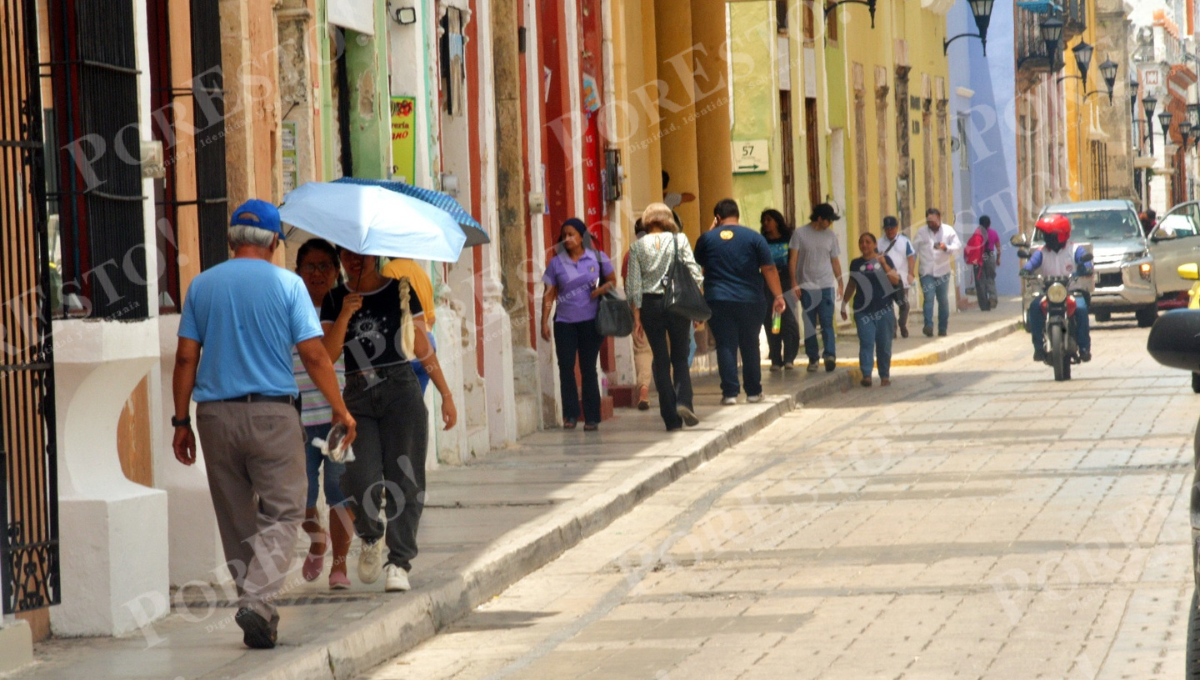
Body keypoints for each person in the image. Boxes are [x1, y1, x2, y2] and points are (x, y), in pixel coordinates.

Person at [172, 200, 356, 649]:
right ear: (275, 242)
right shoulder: (289, 286)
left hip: (214, 417)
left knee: (236, 516)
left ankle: (258, 609)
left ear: (232, 240)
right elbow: (314, 355)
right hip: (273, 414)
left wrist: (180, 421)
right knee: (285, 510)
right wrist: (340, 409)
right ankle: (257, 602)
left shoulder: (201, 285)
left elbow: (185, 357)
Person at [321, 248, 458, 594]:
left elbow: (422, 345)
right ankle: (370, 535)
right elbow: (327, 355)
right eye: (347, 256)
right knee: (358, 476)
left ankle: (399, 561)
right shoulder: (335, 298)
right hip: (357, 395)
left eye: (362, 256)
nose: (354, 261)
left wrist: (446, 393)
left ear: (376, 257)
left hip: (400, 389)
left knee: (406, 478)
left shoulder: (400, 290)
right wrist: (344, 315)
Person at [292, 239, 353, 590]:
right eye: (310, 267)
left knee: (337, 488)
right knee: (301, 493)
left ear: (336, 271)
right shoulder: (288, 308)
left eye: (325, 267)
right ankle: (317, 539)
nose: (317, 273)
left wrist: (343, 409)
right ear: (298, 272)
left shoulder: (344, 308)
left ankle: (339, 566)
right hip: (297, 418)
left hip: (336, 417)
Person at [694, 199, 787, 405]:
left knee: (725, 344)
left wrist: (711, 231)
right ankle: (753, 391)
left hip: (717, 299)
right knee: (750, 343)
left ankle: (730, 393)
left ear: (717, 218)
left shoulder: (706, 239)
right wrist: (778, 296)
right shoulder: (754, 237)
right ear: (737, 215)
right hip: (751, 299)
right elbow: (769, 269)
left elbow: (696, 267)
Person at [626, 202, 704, 431]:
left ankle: (670, 417)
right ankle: (684, 402)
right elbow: (695, 272)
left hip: (650, 305)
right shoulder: (680, 241)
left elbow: (633, 285)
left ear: (647, 221)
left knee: (660, 358)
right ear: (668, 219)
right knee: (680, 357)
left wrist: (637, 316)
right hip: (677, 303)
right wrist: (697, 305)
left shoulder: (637, 247)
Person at [541, 218, 618, 430]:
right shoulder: (556, 263)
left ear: (581, 236)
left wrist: (602, 290)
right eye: (564, 235)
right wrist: (544, 322)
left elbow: (612, 280)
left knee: (588, 368)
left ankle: (592, 417)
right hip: (564, 323)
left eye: (571, 234)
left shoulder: (597, 258)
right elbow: (548, 294)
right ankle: (571, 415)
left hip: (591, 322)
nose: (567, 239)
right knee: (565, 367)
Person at [1022, 213, 1092, 363]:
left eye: (1050, 234)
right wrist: (1026, 269)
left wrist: (1086, 267)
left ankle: (1084, 348)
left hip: (1072, 291)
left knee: (1081, 309)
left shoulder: (1075, 249)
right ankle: (1038, 348)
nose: (1047, 237)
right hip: (1049, 292)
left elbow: (1085, 261)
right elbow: (1032, 263)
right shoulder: (1041, 252)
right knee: (1034, 307)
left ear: (1061, 235)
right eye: (1046, 234)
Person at [789, 203, 844, 373]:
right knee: (809, 323)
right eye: (829, 220)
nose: (830, 223)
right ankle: (813, 357)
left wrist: (840, 283)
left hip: (826, 285)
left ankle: (830, 355)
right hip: (806, 285)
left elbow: (835, 261)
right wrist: (794, 282)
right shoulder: (800, 234)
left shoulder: (831, 236)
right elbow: (793, 260)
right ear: (819, 218)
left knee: (827, 321)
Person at [841, 232, 901, 387]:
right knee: (866, 342)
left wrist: (883, 264)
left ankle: (884, 375)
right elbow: (852, 284)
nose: (865, 245)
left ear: (875, 245)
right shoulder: (855, 264)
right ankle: (866, 374)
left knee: (884, 344)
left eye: (868, 242)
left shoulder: (885, 259)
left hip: (883, 309)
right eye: (862, 242)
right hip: (863, 310)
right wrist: (843, 304)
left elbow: (895, 280)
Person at [382, 258, 437, 393]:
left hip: (405, 343)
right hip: (428, 342)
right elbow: (431, 318)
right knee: (416, 409)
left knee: (399, 407)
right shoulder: (422, 273)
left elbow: (388, 312)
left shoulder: (389, 269)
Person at [760, 209, 800, 370]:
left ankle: (789, 356)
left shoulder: (789, 239)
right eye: (764, 221)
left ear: (777, 221)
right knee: (772, 321)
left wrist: (794, 283)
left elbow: (794, 262)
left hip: (786, 281)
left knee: (788, 320)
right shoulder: (761, 241)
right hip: (768, 284)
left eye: (769, 220)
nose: (766, 223)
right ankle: (776, 358)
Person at [913, 207, 962, 337]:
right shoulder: (921, 232)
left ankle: (942, 328)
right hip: (926, 271)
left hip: (943, 271)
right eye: (929, 221)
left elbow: (958, 247)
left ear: (939, 218)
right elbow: (914, 252)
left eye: (934, 220)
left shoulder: (948, 231)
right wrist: (910, 270)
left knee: (943, 300)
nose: (932, 223)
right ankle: (928, 325)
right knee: (928, 298)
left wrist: (946, 247)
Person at [622, 219, 653, 410]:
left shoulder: (630, 253)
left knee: (642, 350)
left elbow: (629, 287)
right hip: (665, 308)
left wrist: (635, 314)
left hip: (639, 309)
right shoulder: (666, 248)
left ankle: (643, 390)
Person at [878, 216, 916, 338]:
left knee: (904, 304)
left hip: (902, 279)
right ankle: (892, 329)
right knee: (888, 305)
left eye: (892, 228)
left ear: (897, 227)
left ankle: (902, 323)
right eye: (887, 228)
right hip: (886, 279)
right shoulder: (879, 243)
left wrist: (911, 272)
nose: (890, 231)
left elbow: (911, 257)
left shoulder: (905, 241)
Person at [965, 215, 1000, 311]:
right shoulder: (993, 233)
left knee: (980, 282)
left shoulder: (977, 233)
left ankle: (984, 305)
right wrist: (998, 259)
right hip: (990, 256)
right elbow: (999, 249)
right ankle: (992, 297)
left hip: (979, 258)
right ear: (989, 224)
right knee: (990, 278)